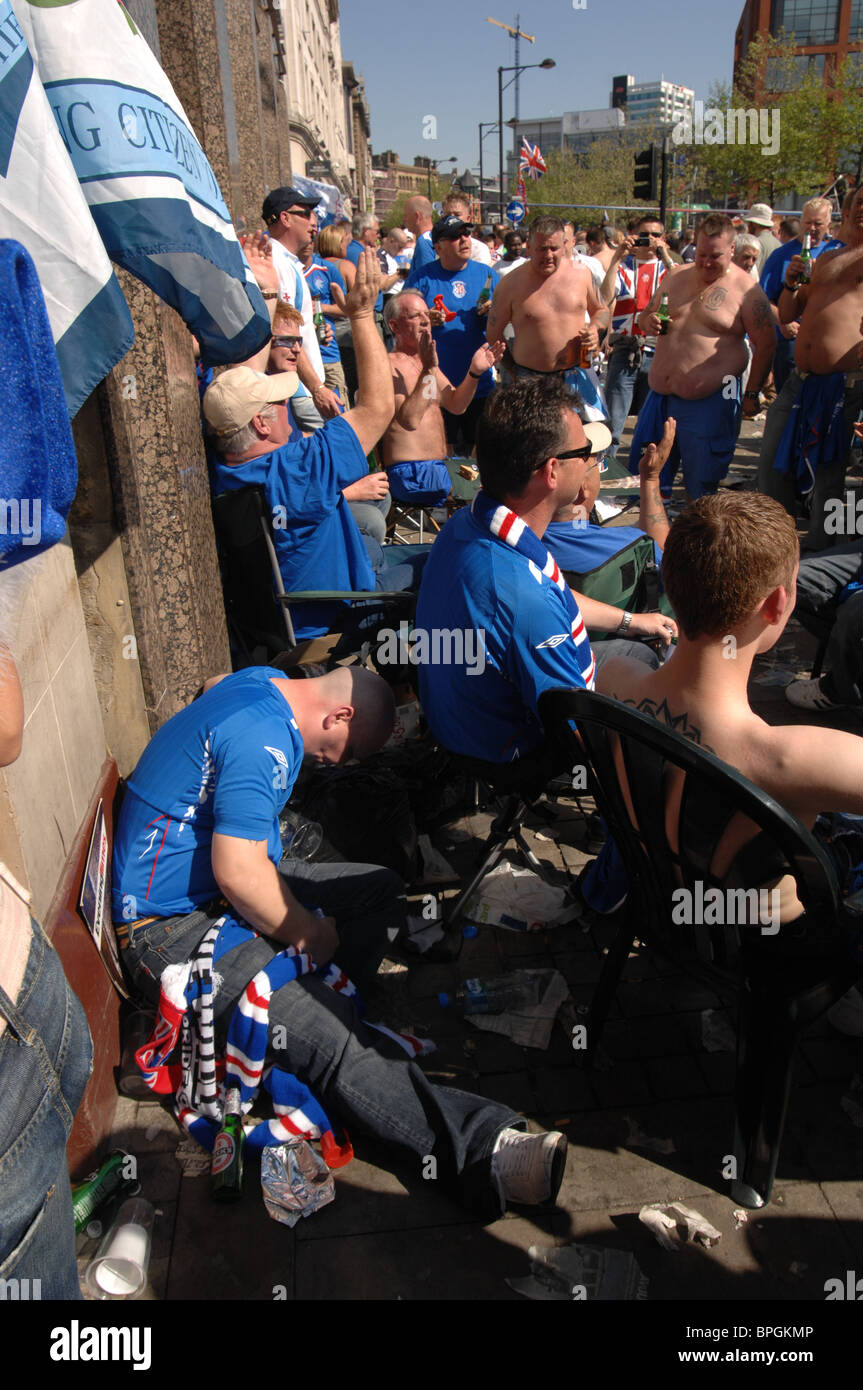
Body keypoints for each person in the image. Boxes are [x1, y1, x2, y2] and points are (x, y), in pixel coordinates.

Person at [113, 664, 568, 1216]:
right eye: (350, 750)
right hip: (169, 928)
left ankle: (329, 1022)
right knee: (335, 1036)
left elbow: (209, 684)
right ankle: (484, 1150)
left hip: (217, 897)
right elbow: (238, 872)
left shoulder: (265, 683)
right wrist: (313, 934)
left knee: (377, 890)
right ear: (340, 714)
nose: (342, 764)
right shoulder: (267, 743)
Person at [597, 490, 863, 1030]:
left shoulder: (613, 682)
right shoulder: (791, 760)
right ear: (778, 604)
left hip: (662, 903)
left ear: (671, 587)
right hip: (767, 948)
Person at [415, 378, 662, 766]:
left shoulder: (470, 524)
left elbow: (553, 593)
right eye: (585, 453)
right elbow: (575, 729)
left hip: (459, 720)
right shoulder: (522, 595)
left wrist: (631, 620)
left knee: (634, 644)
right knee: (645, 669)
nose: (592, 461)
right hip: (506, 749)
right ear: (551, 471)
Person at [205, 251, 424, 641]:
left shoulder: (227, 462)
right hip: (339, 613)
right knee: (439, 559)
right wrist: (360, 315)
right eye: (279, 402)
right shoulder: (297, 469)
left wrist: (269, 293)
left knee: (372, 543)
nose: (287, 407)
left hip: (290, 608)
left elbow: (239, 391)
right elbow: (378, 407)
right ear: (261, 422)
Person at [629, 213, 776, 499]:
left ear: (732, 250)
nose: (707, 262)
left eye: (716, 256)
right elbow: (646, 315)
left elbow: (766, 344)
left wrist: (752, 392)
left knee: (701, 488)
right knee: (645, 480)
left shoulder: (747, 291)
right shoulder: (676, 276)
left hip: (710, 401)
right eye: (702, 253)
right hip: (660, 397)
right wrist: (649, 322)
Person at [757, 188, 863, 552]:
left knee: (830, 476)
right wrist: (790, 283)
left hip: (848, 386)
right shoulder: (829, 257)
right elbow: (787, 314)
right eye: (860, 202)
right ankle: (774, 546)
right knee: (772, 462)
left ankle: (823, 554)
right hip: (800, 382)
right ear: (847, 212)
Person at [266, 301, 390, 547]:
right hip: (294, 525)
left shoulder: (281, 388)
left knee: (381, 499)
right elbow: (278, 505)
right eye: (286, 341)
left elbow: (294, 445)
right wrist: (346, 492)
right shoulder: (261, 398)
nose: (297, 350)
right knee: (372, 521)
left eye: (299, 341)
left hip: (305, 492)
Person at [380, 291, 503, 506]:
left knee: (502, 477)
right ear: (394, 326)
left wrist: (474, 372)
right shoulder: (388, 365)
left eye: (426, 314)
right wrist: (428, 370)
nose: (425, 320)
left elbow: (457, 405)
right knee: (493, 487)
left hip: (439, 468)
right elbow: (410, 420)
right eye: (416, 315)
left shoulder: (425, 365)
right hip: (412, 473)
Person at [486, 216, 610, 422]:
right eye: (542, 249)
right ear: (529, 246)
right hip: (531, 379)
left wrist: (595, 329)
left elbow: (602, 309)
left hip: (577, 375)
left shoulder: (581, 274)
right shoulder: (510, 284)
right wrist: (515, 370)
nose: (548, 255)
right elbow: (493, 334)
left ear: (564, 246)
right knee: (535, 445)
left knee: (587, 444)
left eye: (553, 248)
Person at [402, 215, 500, 455]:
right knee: (439, 454)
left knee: (480, 457)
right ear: (438, 247)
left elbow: (508, 319)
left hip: (478, 383)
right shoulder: (422, 278)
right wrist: (424, 318)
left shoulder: (487, 274)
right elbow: (399, 320)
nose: (464, 239)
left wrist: (493, 311)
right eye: (455, 236)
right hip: (435, 384)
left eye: (466, 233)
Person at [260, 186, 342, 421]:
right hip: (298, 390)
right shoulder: (278, 263)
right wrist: (317, 388)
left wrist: (314, 333)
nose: (312, 222)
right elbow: (283, 337)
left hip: (300, 387)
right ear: (285, 218)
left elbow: (292, 329)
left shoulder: (287, 262)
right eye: (305, 214)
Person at [599, 215, 671, 458]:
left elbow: (685, 288)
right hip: (625, 351)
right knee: (613, 425)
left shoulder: (669, 269)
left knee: (650, 428)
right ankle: (606, 481)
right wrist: (616, 258)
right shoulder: (623, 267)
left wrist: (667, 256)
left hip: (659, 353)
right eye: (644, 234)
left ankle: (644, 482)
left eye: (655, 235)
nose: (649, 240)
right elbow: (604, 298)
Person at [760, 198, 842, 394]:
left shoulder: (838, 252)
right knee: (789, 409)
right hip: (790, 345)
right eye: (808, 222)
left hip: (827, 344)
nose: (812, 228)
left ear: (828, 225)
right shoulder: (781, 256)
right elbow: (763, 297)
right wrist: (783, 321)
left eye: (818, 223)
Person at [744, 202, 781, 275]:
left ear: (754, 223)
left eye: (749, 222)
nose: (748, 226)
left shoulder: (755, 244)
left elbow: (752, 272)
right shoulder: (778, 244)